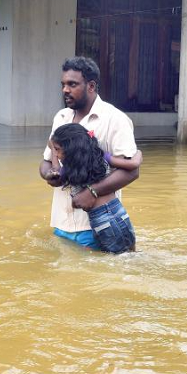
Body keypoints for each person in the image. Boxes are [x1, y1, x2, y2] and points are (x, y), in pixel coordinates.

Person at [38, 57, 139, 249]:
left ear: (91, 86)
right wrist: (49, 175)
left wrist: (92, 192)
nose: (65, 90)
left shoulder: (115, 119)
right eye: (63, 84)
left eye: (72, 84)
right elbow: (46, 160)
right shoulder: (61, 117)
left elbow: (132, 171)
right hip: (61, 223)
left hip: (97, 226)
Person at [48, 123, 141, 253]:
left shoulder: (70, 171)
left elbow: (55, 170)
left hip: (102, 221)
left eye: (57, 150)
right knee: (130, 256)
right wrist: (138, 153)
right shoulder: (102, 157)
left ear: (70, 150)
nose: (56, 154)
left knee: (116, 263)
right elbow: (133, 164)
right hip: (120, 213)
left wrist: (52, 151)